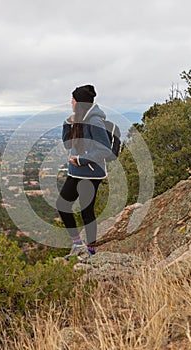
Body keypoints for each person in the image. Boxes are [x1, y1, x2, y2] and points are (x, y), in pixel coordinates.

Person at [56, 84, 111, 259]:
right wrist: (67, 124)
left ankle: (91, 251)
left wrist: (81, 160)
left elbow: (105, 149)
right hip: (76, 172)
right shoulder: (79, 118)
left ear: (79, 102)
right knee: (63, 205)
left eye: (73, 99)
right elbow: (67, 145)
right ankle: (77, 244)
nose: (71, 102)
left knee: (86, 211)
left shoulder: (94, 120)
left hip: (91, 172)